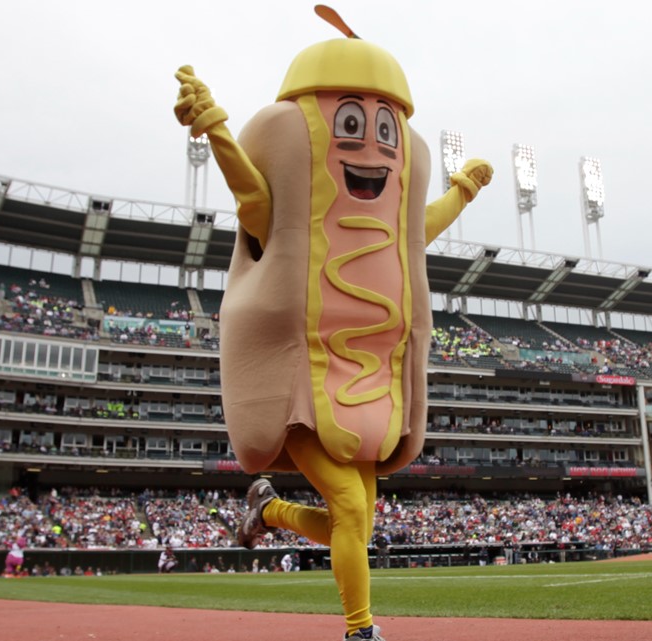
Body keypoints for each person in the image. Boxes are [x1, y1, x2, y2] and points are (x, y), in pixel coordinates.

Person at [173, 6, 491, 640]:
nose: (371, 145)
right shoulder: (293, 210)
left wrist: (460, 191)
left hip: (372, 384)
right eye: (351, 124)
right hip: (303, 380)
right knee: (348, 506)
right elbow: (253, 200)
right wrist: (215, 129)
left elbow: (418, 229)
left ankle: (271, 512)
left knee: (356, 524)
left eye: (383, 129)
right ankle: (360, 629)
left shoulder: (391, 223)